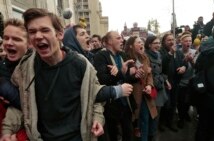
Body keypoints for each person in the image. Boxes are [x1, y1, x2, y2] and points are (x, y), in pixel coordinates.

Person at [1, 8, 133, 141]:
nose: (38, 36)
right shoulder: (25, 68)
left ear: (59, 34)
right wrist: (7, 130)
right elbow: (21, 103)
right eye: (32, 32)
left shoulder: (81, 64)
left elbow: (94, 96)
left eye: (45, 30)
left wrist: (97, 118)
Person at [93, 31, 136, 141]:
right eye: (118, 38)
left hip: (125, 102)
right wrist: (121, 72)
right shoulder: (100, 56)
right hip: (111, 105)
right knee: (113, 135)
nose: (122, 40)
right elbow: (102, 81)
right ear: (109, 41)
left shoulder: (123, 55)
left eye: (121, 38)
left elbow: (127, 79)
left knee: (128, 132)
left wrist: (135, 74)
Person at [0, 18, 29, 140]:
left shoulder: (39, 68)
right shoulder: (1, 69)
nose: (9, 43)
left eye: (16, 39)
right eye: (6, 38)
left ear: (29, 43)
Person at [124, 36, 158, 141]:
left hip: (147, 93)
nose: (142, 44)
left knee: (152, 118)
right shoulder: (126, 59)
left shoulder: (144, 57)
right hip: (136, 95)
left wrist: (149, 85)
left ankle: (148, 136)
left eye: (142, 42)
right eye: (138, 42)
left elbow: (149, 75)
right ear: (131, 45)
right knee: (143, 120)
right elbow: (125, 78)